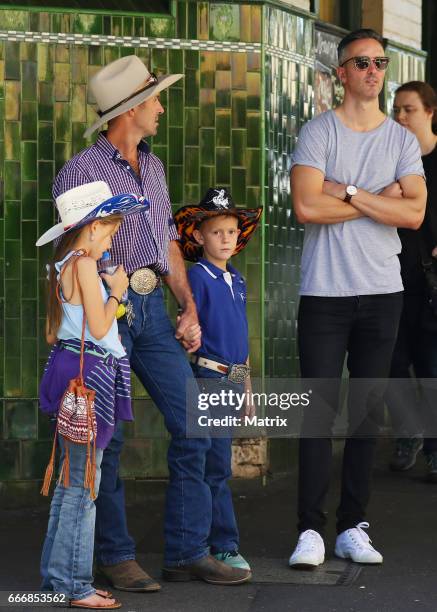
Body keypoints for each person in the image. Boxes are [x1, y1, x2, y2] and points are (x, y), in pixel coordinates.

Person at [53, 55, 250, 588]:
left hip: (153, 312)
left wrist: (186, 303)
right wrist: (113, 296)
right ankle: (115, 555)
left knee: (194, 420)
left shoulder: (155, 167)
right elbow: (80, 251)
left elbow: (166, 242)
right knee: (109, 439)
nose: (162, 107)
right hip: (107, 312)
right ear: (132, 108)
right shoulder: (79, 172)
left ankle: (187, 551)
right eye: (156, 98)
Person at [288, 29, 426, 569]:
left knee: (367, 415)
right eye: (361, 62)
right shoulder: (318, 131)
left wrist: (343, 190)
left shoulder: (401, 140)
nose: (372, 70)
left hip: (383, 293)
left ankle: (352, 526)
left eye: (380, 63)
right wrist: (375, 197)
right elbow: (306, 206)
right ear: (341, 73)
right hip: (324, 292)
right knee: (317, 415)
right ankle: (309, 530)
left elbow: (414, 214)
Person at [38, 181, 148, 609]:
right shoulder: (84, 263)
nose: (111, 241)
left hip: (67, 370)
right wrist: (117, 289)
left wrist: (103, 296)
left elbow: (52, 331)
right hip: (91, 376)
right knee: (84, 484)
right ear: (94, 226)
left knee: (71, 482)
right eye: (110, 232)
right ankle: (76, 586)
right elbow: (101, 329)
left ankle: (58, 579)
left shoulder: (60, 264)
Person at [173, 187, 262, 573]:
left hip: (231, 382)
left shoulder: (238, 281)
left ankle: (219, 543)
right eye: (216, 232)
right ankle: (219, 545)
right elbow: (189, 324)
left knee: (220, 465)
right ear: (198, 236)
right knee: (211, 466)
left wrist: (246, 391)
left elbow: (240, 343)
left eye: (230, 232)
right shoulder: (198, 277)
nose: (225, 238)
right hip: (207, 379)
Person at [386, 81, 437, 480]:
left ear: (430, 112)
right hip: (389, 277)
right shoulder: (390, 158)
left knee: (432, 366)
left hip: (432, 284)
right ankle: (408, 432)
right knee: (391, 363)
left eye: (409, 110)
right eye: (397, 110)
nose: (401, 117)